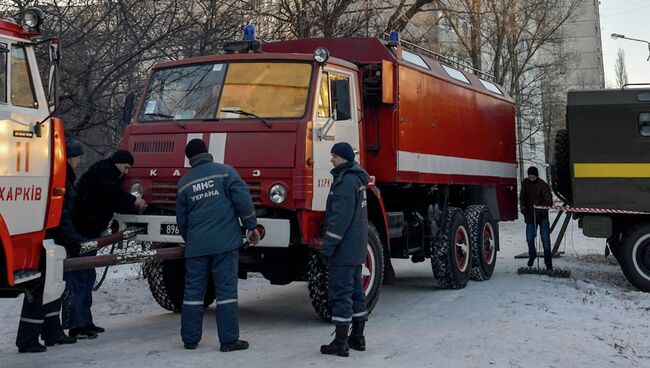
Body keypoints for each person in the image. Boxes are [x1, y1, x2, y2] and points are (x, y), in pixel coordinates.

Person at [176, 139, 260, 352]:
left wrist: (192, 240)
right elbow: (242, 199)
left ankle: (190, 339)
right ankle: (229, 340)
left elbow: (182, 220)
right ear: (207, 152)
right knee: (226, 292)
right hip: (225, 244)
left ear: (189, 159)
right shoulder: (225, 173)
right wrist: (251, 225)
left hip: (197, 246)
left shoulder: (184, 183)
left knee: (193, 292)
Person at [63, 149, 146, 339]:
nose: (126, 172)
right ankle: (77, 325)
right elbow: (113, 197)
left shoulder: (104, 172)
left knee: (87, 275)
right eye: (126, 167)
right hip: (82, 232)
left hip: (87, 230)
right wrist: (135, 201)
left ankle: (85, 321)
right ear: (118, 163)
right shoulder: (103, 174)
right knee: (80, 276)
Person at [15, 137, 85, 353]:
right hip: (49, 242)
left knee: (53, 287)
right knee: (42, 287)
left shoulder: (58, 174)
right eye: (77, 158)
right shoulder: (60, 177)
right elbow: (61, 214)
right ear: (71, 158)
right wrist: (72, 241)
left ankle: (52, 332)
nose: (79, 162)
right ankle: (28, 338)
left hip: (51, 240)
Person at [319, 142, 370, 357]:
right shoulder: (357, 179)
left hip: (344, 250)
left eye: (335, 156)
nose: (332, 160)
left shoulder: (345, 182)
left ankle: (340, 343)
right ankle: (357, 337)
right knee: (356, 293)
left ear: (344, 158)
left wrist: (327, 248)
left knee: (341, 294)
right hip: (357, 248)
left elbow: (339, 219)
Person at [519, 166, 554, 270]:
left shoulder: (543, 185)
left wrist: (540, 209)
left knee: (545, 241)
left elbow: (549, 202)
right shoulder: (525, 183)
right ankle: (532, 255)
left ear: (537, 176)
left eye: (533, 176)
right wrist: (523, 208)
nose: (531, 178)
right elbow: (522, 197)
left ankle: (548, 263)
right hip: (530, 217)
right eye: (530, 176)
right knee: (530, 239)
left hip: (542, 217)